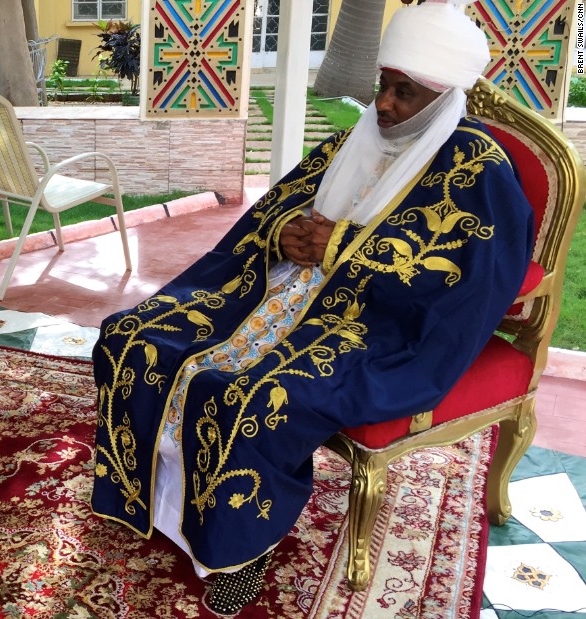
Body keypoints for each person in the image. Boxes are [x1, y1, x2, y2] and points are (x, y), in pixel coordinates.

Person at [90, 0, 534, 613]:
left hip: (369, 321)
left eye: (404, 93)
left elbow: (470, 281)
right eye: (383, 85)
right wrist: (284, 235)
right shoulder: (357, 137)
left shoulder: (478, 170)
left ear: (441, 97)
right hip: (277, 288)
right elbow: (274, 208)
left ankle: (240, 551)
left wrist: (345, 249)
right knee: (132, 339)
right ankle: (147, 498)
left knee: (251, 395)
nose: (383, 104)